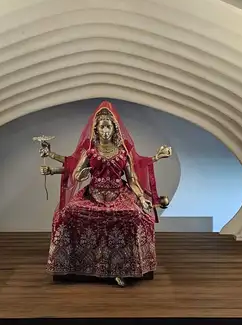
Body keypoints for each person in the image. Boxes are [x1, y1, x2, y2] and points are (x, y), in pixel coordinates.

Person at [39, 101, 172, 286]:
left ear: (115, 129)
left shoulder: (123, 153)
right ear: (96, 130)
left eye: (109, 126)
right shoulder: (90, 153)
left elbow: (132, 180)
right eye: (102, 127)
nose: (105, 130)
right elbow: (77, 174)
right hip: (92, 195)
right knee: (69, 213)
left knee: (134, 214)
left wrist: (142, 198)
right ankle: (73, 264)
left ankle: (124, 267)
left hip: (119, 194)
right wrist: (81, 174)